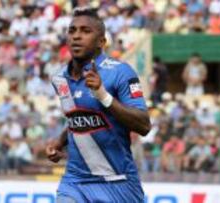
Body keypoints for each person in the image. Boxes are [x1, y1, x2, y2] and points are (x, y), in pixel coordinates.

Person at [45, 7, 150, 203]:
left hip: (118, 182)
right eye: (72, 30)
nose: (77, 36)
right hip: (75, 181)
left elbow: (144, 126)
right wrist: (60, 141)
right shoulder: (59, 78)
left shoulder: (120, 72)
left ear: (101, 42)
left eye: (85, 31)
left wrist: (103, 95)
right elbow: (78, 116)